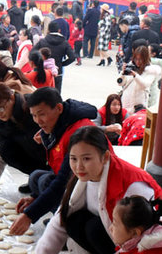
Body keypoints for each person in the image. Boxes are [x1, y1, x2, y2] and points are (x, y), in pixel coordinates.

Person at [13, 125, 162, 254]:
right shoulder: (84, 178)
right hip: (122, 235)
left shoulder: (131, 186)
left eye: (86, 158)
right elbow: (60, 219)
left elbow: (146, 235)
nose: (79, 166)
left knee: (94, 230)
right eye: (73, 159)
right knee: (74, 219)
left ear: (105, 157)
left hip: (155, 249)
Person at [8, 87, 97, 236]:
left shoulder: (80, 134)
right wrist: (35, 198)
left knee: (48, 183)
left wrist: (30, 215)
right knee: (37, 177)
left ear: (59, 108)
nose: (38, 121)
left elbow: (63, 181)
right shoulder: (59, 126)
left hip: (90, 190)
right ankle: (60, 215)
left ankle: (66, 225)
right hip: (76, 182)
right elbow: (57, 168)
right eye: (34, 116)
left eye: (41, 114)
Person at [0, 83, 47, 197]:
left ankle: (46, 179)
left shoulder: (31, 106)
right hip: (35, 155)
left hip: (53, 155)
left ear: (11, 97)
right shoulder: (2, 120)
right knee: (5, 149)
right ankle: (35, 177)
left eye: (0, 108)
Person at [34, 21, 76, 91]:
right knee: (56, 96)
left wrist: (39, 63)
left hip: (43, 72)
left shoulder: (42, 41)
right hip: (57, 72)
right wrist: (61, 64)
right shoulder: (64, 42)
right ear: (59, 30)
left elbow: (33, 52)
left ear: (48, 30)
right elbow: (72, 57)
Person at [119, 46, 160, 112]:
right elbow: (121, 83)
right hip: (126, 101)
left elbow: (145, 85)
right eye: (136, 59)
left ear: (145, 59)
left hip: (138, 103)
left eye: (140, 59)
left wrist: (135, 75)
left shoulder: (151, 70)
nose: (137, 61)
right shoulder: (131, 66)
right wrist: (122, 73)